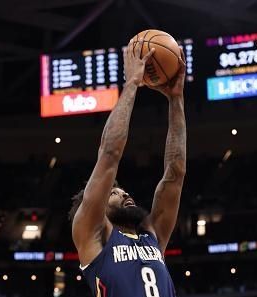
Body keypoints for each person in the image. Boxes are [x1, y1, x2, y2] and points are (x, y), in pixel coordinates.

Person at [68, 38, 187, 297]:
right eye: (114, 192)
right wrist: (132, 83)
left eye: (121, 191)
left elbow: (175, 174)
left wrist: (176, 99)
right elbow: (110, 154)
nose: (123, 193)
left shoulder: (151, 236)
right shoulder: (93, 235)